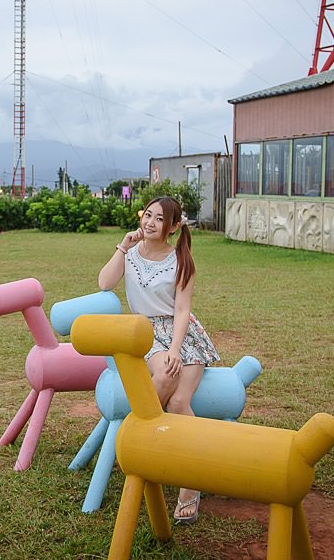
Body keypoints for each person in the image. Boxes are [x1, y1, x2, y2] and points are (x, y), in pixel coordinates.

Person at [97, 196, 219, 524]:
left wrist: (178, 348)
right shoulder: (132, 254)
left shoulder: (182, 260)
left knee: (180, 401)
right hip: (146, 333)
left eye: (159, 218)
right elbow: (105, 282)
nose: (150, 222)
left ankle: (189, 483)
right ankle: (146, 451)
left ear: (174, 227)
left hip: (184, 335)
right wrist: (122, 247)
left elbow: (182, 310)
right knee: (164, 375)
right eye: (147, 215)